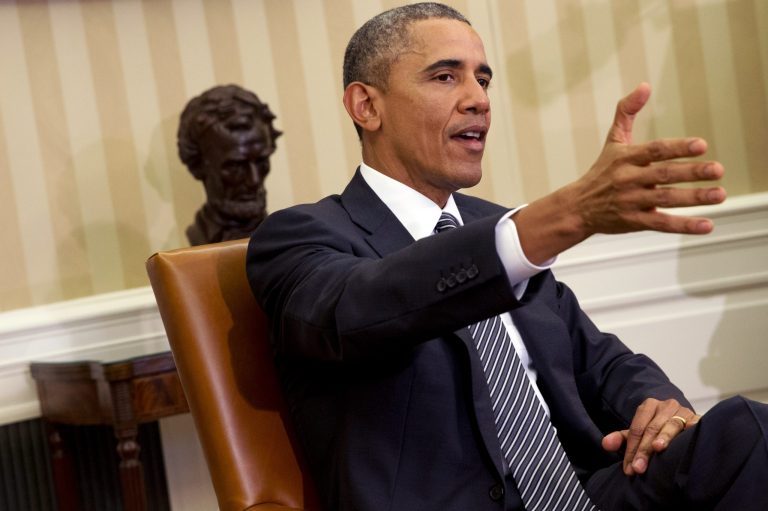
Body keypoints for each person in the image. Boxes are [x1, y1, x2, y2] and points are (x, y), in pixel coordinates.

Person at [246, 3, 767, 510]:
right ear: (366, 106)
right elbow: (366, 305)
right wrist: (567, 214)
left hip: (583, 491)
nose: (479, 99)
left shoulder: (496, 225)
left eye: (483, 80)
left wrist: (657, 409)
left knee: (744, 428)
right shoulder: (301, 238)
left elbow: (598, 359)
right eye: (446, 77)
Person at [178, 84, 282, 245]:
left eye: (261, 161)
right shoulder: (199, 237)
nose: (254, 180)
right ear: (198, 165)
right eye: (235, 167)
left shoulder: (284, 237)